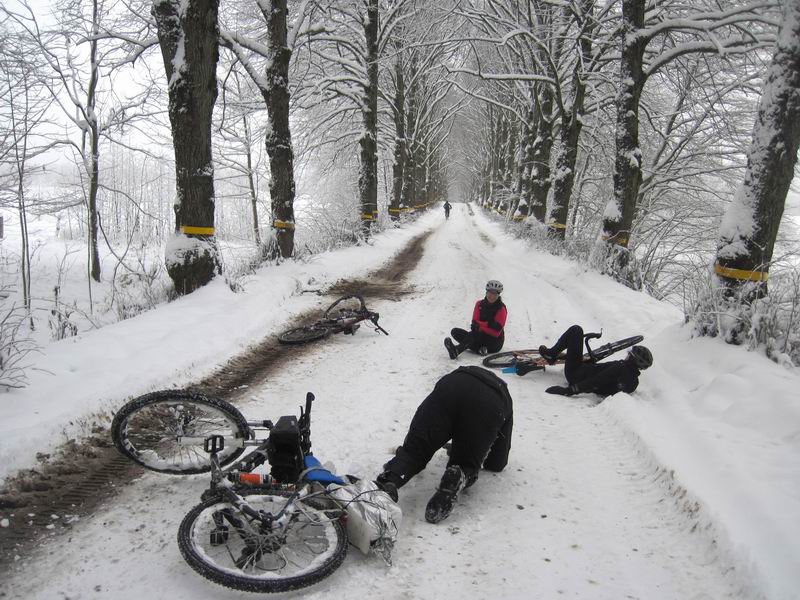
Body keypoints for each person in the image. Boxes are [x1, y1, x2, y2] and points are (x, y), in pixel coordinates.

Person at [375, 366, 513, 524]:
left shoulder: (464, 374)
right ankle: (458, 475)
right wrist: (475, 451)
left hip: (452, 385)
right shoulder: (506, 400)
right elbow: (498, 462)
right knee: (466, 463)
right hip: (490, 402)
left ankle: (391, 479)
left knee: (415, 450)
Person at [536, 325, 653, 397]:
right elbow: (605, 385)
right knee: (577, 339)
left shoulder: (620, 367)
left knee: (576, 330)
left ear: (633, 359)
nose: (627, 354)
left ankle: (551, 355)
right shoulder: (633, 383)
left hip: (575, 374)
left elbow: (597, 380)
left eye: (629, 354)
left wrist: (569, 390)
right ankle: (554, 355)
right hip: (582, 373)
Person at [444, 280, 507, 359]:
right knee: (455, 332)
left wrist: (481, 326)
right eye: (490, 293)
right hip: (479, 337)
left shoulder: (501, 308)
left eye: (495, 294)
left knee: (474, 334)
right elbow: (474, 324)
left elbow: (496, 332)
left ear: (498, 295)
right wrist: (489, 325)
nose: (492, 296)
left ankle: (457, 350)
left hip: (495, 342)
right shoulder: (479, 304)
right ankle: (479, 350)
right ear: (486, 292)